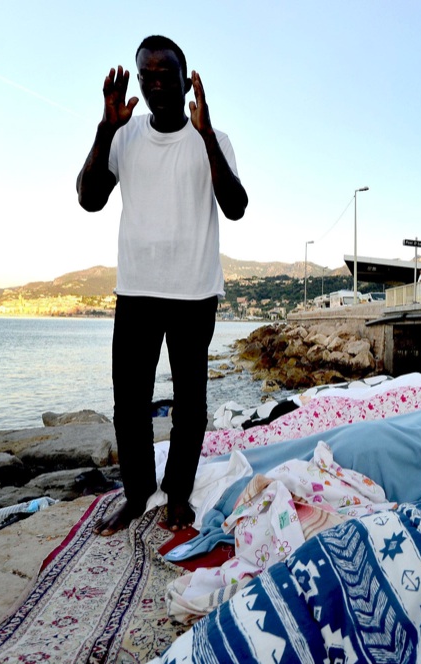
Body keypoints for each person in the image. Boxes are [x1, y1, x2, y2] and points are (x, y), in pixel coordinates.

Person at [76, 35, 248, 536]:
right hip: (137, 291)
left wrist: (208, 134)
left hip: (194, 292)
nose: (154, 85)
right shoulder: (125, 135)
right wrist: (105, 129)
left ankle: (176, 495)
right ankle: (135, 494)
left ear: (185, 77)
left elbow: (235, 206)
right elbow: (89, 199)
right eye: (145, 75)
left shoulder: (210, 137)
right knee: (129, 402)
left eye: (163, 74)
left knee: (191, 404)